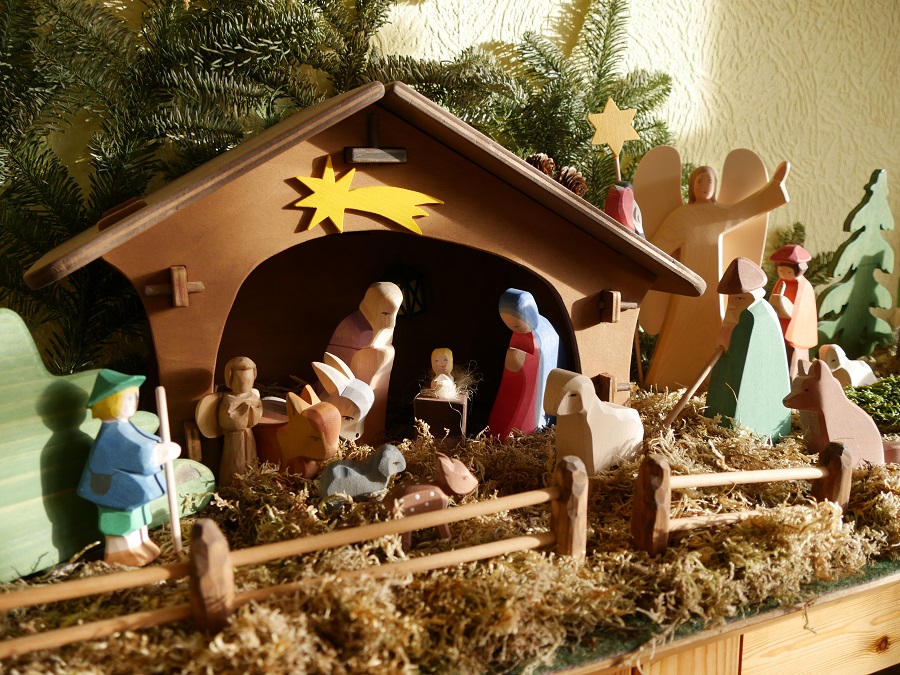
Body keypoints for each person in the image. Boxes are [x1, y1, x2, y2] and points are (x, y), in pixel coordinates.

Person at [643, 162, 790, 390]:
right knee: (679, 329)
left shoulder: (718, 215)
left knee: (713, 330)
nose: (704, 185)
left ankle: (713, 382)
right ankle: (665, 380)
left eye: (709, 181)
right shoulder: (682, 216)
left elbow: (745, 210)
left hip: (713, 288)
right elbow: (657, 248)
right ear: (692, 185)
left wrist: (775, 187)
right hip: (687, 287)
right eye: (700, 181)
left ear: (715, 185)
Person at [78, 370, 181, 566]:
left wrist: (160, 450)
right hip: (112, 491)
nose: (134, 402)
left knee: (139, 517)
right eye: (129, 398)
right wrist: (158, 453)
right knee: (121, 523)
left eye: (135, 397)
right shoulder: (111, 434)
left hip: (131, 493)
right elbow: (135, 452)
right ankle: (120, 553)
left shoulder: (125, 428)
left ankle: (142, 543)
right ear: (110, 401)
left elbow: (145, 442)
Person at [705, 258, 792, 441]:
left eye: (740, 298)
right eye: (731, 298)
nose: (732, 304)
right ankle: (720, 423)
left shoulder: (755, 316)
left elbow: (750, 357)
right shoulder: (742, 314)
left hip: (756, 401)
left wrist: (730, 342)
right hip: (731, 377)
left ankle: (742, 428)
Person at [488, 289, 558, 438]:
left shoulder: (541, 334)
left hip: (532, 390)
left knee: (521, 415)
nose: (514, 329)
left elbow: (540, 362)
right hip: (514, 384)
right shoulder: (521, 333)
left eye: (517, 326)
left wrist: (518, 357)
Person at [769, 244, 817, 376]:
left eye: (788, 272)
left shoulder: (804, 286)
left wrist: (787, 307)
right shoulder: (780, 282)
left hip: (794, 331)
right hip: (780, 327)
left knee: (793, 363)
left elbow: (804, 313)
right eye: (780, 271)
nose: (784, 274)